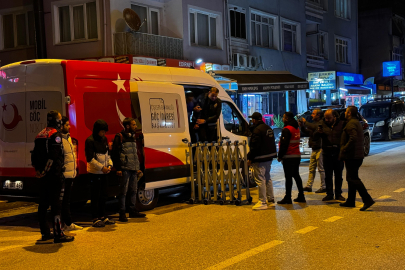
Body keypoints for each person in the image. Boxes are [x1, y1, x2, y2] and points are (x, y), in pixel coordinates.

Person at [32, 110, 74, 243]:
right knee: (56, 206)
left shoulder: (40, 134)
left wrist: (39, 171)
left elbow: (34, 155)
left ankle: (45, 233)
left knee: (43, 205)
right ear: (57, 121)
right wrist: (45, 170)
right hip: (54, 176)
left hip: (43, 177)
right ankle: (58, 234)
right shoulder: (55, 135)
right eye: (60, 119)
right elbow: (53, 156)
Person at [339, 106, 375, 211]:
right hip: (355, 155)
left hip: (353, 155)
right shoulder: (357, 122)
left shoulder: (351, 123)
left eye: (346, 111)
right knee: (351, 178)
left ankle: (367, 199)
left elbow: (353, 138)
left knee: (353, 178)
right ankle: (351, 201)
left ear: (349, 113)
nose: (345, 113)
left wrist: (344, 149)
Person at [112, 117, 146, 222]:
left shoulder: (133, 137)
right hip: (125, 168)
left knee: (133, 190)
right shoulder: (120, 137)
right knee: (123, 192)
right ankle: (122, 213)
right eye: (133, 125)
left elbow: (134, 154)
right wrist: (118, 168)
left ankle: (132, 210)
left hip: (133, 168)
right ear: (127, 126)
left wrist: (137, 168)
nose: (136, 127)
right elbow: (115, 154)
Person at [85, 119, 115, 227]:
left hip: (104, 172)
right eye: (102, 131)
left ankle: (103, 216)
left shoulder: (104, 139)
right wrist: (102, 167)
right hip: (95, 172)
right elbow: (90, 159)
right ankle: (95, 218)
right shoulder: (90, 141)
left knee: (104, 195)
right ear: (97, 130)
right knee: (95, 196)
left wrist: (110, 164)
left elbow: (107, 154)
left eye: (104, 132)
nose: (103, 134)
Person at [247, 112, 277, 210]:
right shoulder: (268, 128)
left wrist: (250, 158)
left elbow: (255, 146)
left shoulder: (257, 130)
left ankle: (262, 201)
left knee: (260, 180)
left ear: (255, 120)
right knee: (267, 178)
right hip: (269, 157)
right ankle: (271, 200)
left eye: (252, 120)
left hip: (260, 158)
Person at [314, 109, 346, 202]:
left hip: (337, 152)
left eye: (329, 118)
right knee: (328, 175)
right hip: (327, 152)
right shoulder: (322, 124)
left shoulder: (341, 124)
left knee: (338, 175)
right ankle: (329, 194)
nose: (327, 120)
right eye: (326, 118)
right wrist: (319, 132)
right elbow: (314, 137)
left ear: (334, 117)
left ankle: (338, 194)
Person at [277, 112, 306, 204]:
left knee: (288, 177)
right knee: (296, 176)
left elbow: (284, 145)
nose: (282, 119)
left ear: (287, 119)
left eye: (284, 117)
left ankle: (288, 197)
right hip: (296, 155)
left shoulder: (287, 129)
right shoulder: (296, 128)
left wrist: (280, 156)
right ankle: (301, 195)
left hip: (289, 156)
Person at [60, 116, 83, 230]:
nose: (69, 127)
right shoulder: (59, 140)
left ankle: (66, 223)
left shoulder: (68, 138)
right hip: (64, 175)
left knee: (67, 200)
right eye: (67, 125)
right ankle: (67, 224)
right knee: (64, 201)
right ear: (61, 126)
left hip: (70, 174)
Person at [299, 109, 326, 193]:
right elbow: (308, 132)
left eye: (313, 114)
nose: (311, 115)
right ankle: (309, 185)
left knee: (321, 169)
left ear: (318, 115)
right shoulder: (314, 123)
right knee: (311, 168)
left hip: (320, 148)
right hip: (314, 148)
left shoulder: (321, 123)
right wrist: (302, 126)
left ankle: (324, 186)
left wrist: (305, 122)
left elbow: (314, 128)